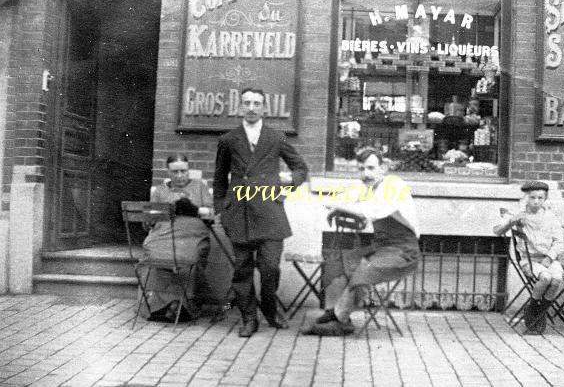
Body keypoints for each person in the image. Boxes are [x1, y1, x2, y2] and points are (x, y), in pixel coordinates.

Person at [213, 88, 309, 337]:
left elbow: (300, 167)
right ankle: (248, 318)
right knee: (242, 269)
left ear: (264, 108)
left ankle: (270, 309)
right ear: (240, 107)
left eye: (257, 103)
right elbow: (220, 180)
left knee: (270, 268)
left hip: (269, 212)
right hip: (239, 212)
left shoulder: (276, 138)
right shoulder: (228, 140)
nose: (252, 107)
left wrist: (289, 183)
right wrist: (222, 210)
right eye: (247, 103)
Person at [302, 149, 421, 336]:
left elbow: (373, 210)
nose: (366, 174)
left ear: (383, 168)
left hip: (404, 251)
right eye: (361, 169)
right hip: (382, 247)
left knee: (364, 268)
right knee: (341, 260)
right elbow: (348, 198)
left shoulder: (394, 185)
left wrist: (337, 206)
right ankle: (336, 313)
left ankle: (340, 318)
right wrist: (338, 209)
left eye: (371, 168)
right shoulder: (366, 186)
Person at [141, 154, 214, 322]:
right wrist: (155, 216)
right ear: (168, 172)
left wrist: (195, 209)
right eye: (175, 172)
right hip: (164, 235)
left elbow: (212, 214)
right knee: (151, 254)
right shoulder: (160, 191)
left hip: (192, 235)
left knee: (189, 256)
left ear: (188, 171)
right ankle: (159, 306)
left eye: (183, 171)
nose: (180, 175)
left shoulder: (200, 187)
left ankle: (184, 305)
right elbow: (149, 223)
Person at [493, 181, 564, 334]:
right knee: (545, 278)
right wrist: (511, 222)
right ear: (526, 198)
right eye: (532, 197)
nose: (536, 201)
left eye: (540, 198)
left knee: (556, 279)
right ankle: (533, 306)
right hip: (529, 260)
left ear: (545, 199)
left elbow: (559, 243)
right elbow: (497, 231)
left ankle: (540, 311)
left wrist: (550, 258)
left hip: (549, 259)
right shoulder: (520, 215)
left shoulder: (550, 217)